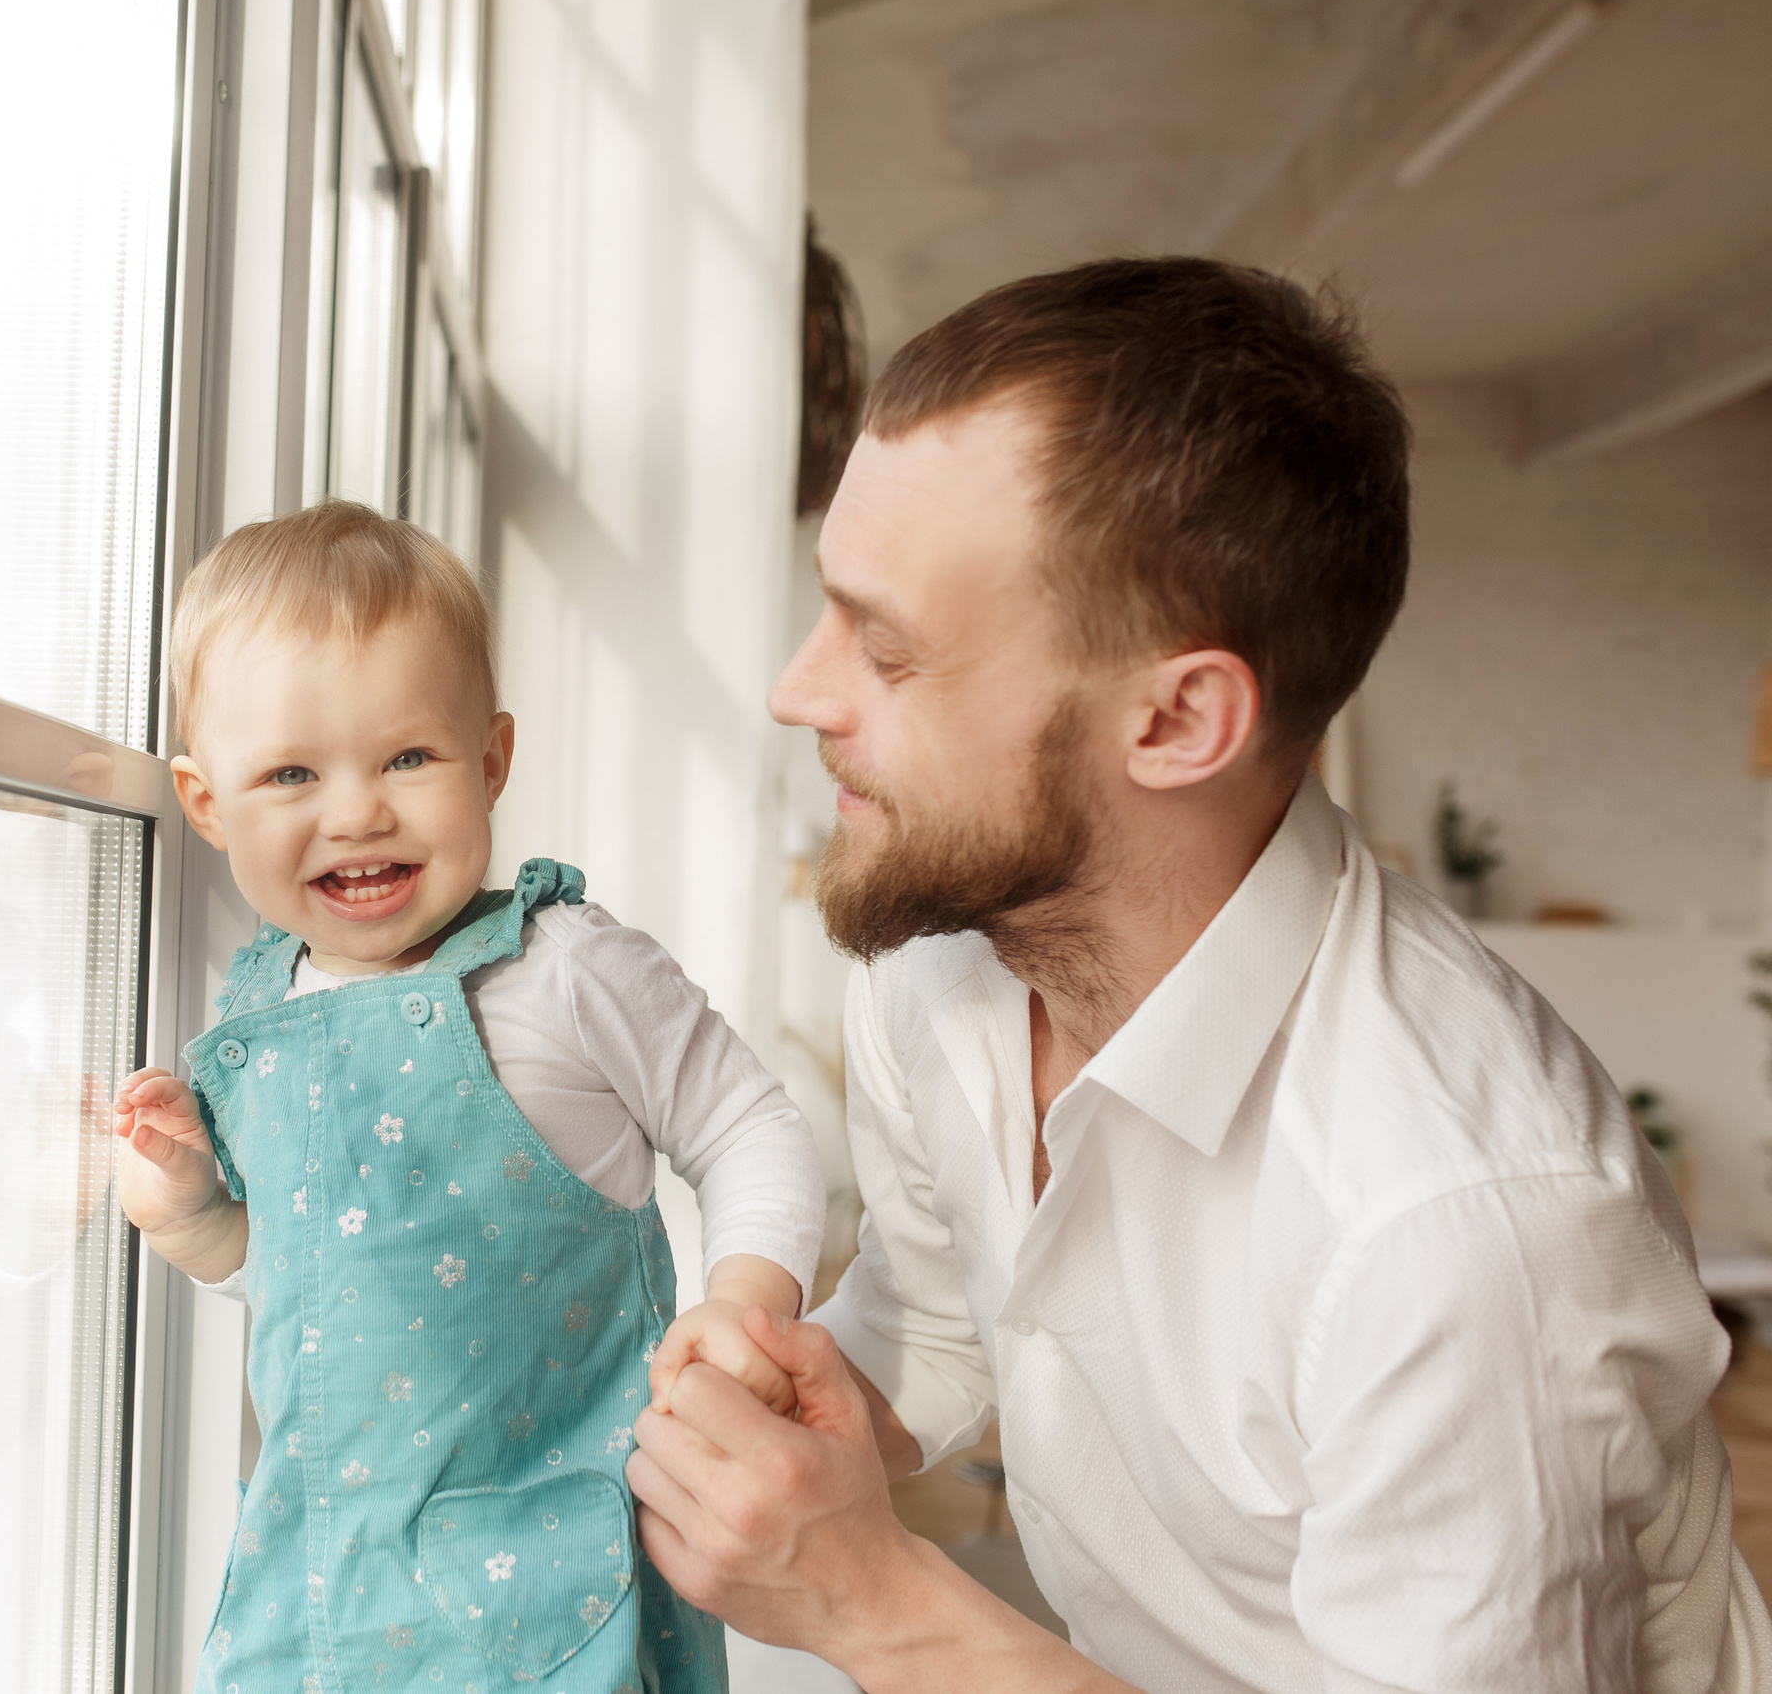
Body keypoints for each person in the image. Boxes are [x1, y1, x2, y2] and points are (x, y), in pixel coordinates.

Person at [626, 258, 1772, 1691]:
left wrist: (873, 1600)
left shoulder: (1456, 1233)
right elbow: (935, 1314)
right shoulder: (946, 958)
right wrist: (782, 1406)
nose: (800, 690)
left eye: (887, 646)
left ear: (1175, 719)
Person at [110, 501, 825, 1694]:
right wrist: (193, 1214)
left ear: (490, 760)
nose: (356, 812)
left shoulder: (564, 968)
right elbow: (302, 1266)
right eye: (291, 774)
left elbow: (748, 1125)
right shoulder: (249, 1017)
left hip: (554, 1572)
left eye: (407, 758)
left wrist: (746, 1302)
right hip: (323, 1573)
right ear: (204, 802)